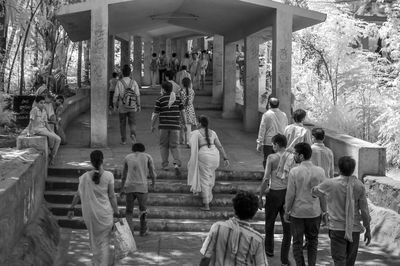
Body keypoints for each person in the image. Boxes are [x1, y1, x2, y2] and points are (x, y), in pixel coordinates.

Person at [312, 156, 371, 266]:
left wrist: (313, 188)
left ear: (339, 169)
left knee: (339, 261)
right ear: (353, 169)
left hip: (336, 228)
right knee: (350, 262)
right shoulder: (359, 185)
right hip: (354, 229)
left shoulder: (330, 183)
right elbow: (364, 210)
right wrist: (368, 229)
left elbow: (315, 192)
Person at [67, 150, 120, 266]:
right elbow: (111, 196)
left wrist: (71, 208)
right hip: (105, 214)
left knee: (94, 240)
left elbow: (78, 194)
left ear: (91, 162)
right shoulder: (108, 176)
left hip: (90, 215)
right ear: (103, 160)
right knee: (104, 241)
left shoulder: (85, 177)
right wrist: (117, 213)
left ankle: (96, 263)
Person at [284, 142, 326, 266]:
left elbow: (291, 194)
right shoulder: (320, 171)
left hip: (298, 213)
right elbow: (322, 194)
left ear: (301, 156)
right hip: (314, 212)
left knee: (297, 243)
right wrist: (324, 211)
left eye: (295, 154)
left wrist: (287, 211)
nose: (293, 156)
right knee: (313, 242)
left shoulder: (294, 172)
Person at [199, 191, 268, 266]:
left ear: (234, 209)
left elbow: (206, 258)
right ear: (254, 213)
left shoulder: (217, 227)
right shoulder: (257, 239)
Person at [258, 134, 291, 265]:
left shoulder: (272, 158)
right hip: (287, 194)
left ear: (277, 144)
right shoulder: (292, 157)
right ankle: (285, 256)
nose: (272, 146)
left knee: (269, 223)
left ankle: (269, 250)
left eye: (273, 144)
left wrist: (260, 195)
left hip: (274, 193)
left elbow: (266, 178)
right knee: (287, 226)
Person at [188, 115, 229, 211]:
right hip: (215, 155)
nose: (196, 124)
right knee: (210, 176)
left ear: (200, 123)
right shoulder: (213, 132)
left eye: (197, 122)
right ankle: (209, 197)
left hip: (204, 156)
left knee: (204, 180)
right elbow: (220, 146)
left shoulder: (196, 133)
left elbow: (190, 145)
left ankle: (206, 204)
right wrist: (225, 158)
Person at [120, 143, 157, 237]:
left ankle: (129, 231)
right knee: (143, 210)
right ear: (143, 149)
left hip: (129, 187)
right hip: (142, 187)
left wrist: (121, 188)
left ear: (133, 149)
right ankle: (143, 230)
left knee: (129, 211)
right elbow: (152, 172)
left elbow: (123, 175)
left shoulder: (127, 157)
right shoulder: (147, 157)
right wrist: (153, 183)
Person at [151, 81, 186, 177]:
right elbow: (183, 112)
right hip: (175, 126)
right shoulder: (178, 99)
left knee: (163, 146)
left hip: (163, 126)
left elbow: (155, 115)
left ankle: (165, 165)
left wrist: (152, 125)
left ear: (163, 89)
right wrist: (185, 124)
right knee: (175, 146)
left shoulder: (160, 99)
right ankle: (176, 164)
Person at [27, 95, 61, 165]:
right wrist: (28, 132)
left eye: (44, 103)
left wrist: (51, 131)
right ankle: (52, 157)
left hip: (44, 129)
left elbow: (46, 123)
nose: (43, 104)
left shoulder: (44, 111)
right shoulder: (34, 110)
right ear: (36, 103)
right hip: (37, 130)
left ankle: (52, 155)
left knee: (58, 139)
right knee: (56, 139)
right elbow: (31, 122)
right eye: (41, 103)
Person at [113, 64, 141, 145]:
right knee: (132, 123)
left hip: (122, 106)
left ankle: (124, 140)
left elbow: (116, 95)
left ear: (122, 72)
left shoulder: (119, 82)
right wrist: (138, 105)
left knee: (122, 123)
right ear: (130, 73)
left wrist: (114, 105)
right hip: (132, 106)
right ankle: (133, 136)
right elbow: (137, 95)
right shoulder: (134, 82)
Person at [257, 97, 288, 168]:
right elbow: (286, 128)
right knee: (279, 162)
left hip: (269, 142)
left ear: (269, 104)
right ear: (278, 105)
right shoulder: (284, 115)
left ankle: (267, 176)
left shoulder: (266, 115)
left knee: (268, 161)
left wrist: (259, 142)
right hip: (280, 142)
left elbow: (262, 129)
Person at [180, 77, 197, 146]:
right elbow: (191, 100)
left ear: (182, 84)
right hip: (190, 109)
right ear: (190, 84)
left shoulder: (180, 91)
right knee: (189, 127)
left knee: (182, 126)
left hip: (182, 109)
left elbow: (180, 101)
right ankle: (189, 142)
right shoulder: (192, 91)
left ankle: (183, 140)